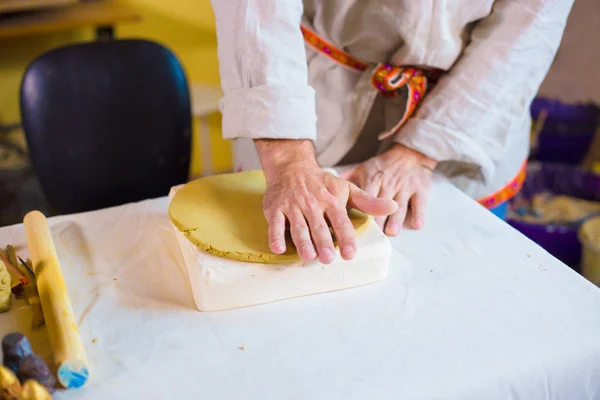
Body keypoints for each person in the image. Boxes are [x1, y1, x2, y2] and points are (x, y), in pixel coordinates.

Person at [210, 0, 574, 265]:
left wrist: (421, 150)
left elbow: (532, 23)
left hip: (476, 111)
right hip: (308, 101)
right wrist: (289, 159)